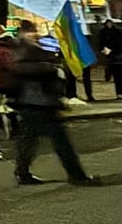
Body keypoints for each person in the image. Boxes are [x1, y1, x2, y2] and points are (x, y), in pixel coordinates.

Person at [11, 32, 100, 186]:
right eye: (34, 37)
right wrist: (52, 68)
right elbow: (43, 80)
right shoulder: (35, 61)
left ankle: (22, 172)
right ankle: (77, 175)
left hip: (31, 105)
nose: (37, 38)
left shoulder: (24, 59)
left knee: (28, 141)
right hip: (41, 105)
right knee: (61, 142)